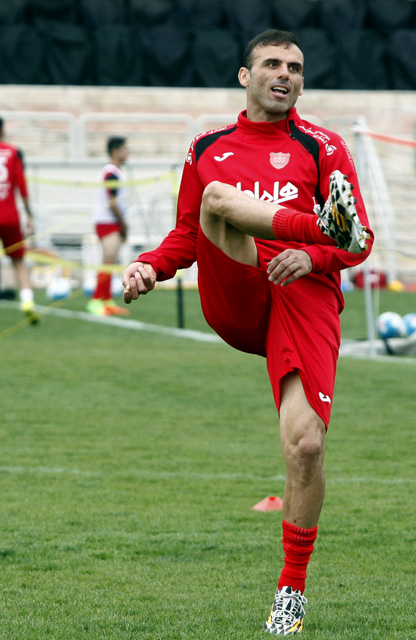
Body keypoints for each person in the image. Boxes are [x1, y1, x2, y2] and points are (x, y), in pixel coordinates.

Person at [121, 29, 372, 635]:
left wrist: (313, 257)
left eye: (296, 67)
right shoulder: (207, 146)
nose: (285, 75)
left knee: (306, 447)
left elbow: (359, 241)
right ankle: (309, 224)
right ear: (245, 75)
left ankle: (291, 592)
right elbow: (190, 231)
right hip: (235, 286)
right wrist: (148, 265)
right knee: (217, 196)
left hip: (302, 292)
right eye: (272, 64)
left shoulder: (326, 147)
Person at [0, 116, 38, 324]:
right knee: (18, 261)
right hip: (9, 217)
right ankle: (27, 301)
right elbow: (21, 187)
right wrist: (29, 214)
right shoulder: (13, 152)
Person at [88, 136, 131, 316]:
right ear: (115, 151)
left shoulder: (117, 172)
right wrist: (122, 224)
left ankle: (107, 301)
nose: (128, 152)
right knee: (107, 261)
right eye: (124, 149)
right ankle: (96, 301)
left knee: (111, 262)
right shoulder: (111, 172)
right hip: (108, 222)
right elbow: (112, 202)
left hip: (112, 222)